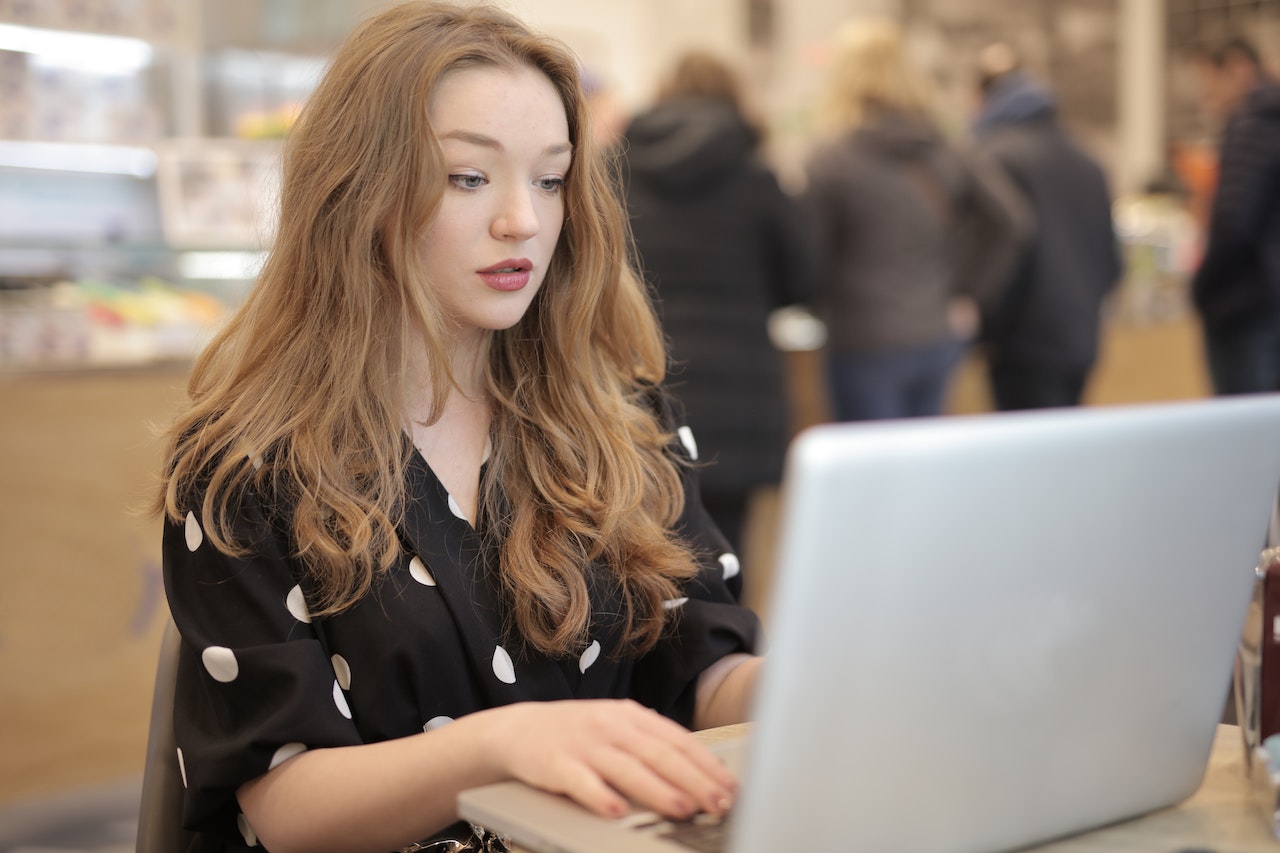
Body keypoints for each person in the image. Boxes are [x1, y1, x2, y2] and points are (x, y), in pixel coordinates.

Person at [151, 4, 763, 851]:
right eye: (469, 178)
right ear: (359, 189)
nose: (524, 220)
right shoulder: (248, 465)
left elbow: (700, 664)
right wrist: (497, 747)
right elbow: (288, 807)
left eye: (550, 179)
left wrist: (794, 692)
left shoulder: (623, 422)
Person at [619, 50, 817, 572]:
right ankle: (727, 650)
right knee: (729, 551)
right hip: (739, 386)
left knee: (642, 546)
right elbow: (806, 277)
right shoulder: (755, 176)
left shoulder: (615, 169)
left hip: (643, 379)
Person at [803, 20, 1029, 422]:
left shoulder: (832, 160)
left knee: (871, 470)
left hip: (862, 336)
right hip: (936, 333)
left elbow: (811, 258)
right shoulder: (944, 146)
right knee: (923, 468)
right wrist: (970, 295)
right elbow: (1011, 221)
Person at [971, 44, 1124, 411]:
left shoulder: (995, 155)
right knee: (1066, 452)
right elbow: (1112, 261)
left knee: (1026, 457)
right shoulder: (1087, 157)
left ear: (982, 96)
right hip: (1080, 338)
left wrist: (988, 326)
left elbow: (999, 253)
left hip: (1024, 344)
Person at [1189, 37, 1280, 395]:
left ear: (1238, 68)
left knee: (1242, 431)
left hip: (1247, 301)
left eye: (1209, 79)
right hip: (1267, 297)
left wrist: (1204, 288)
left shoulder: (1252, 125)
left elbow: (1233, 221)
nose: (1206, 93)